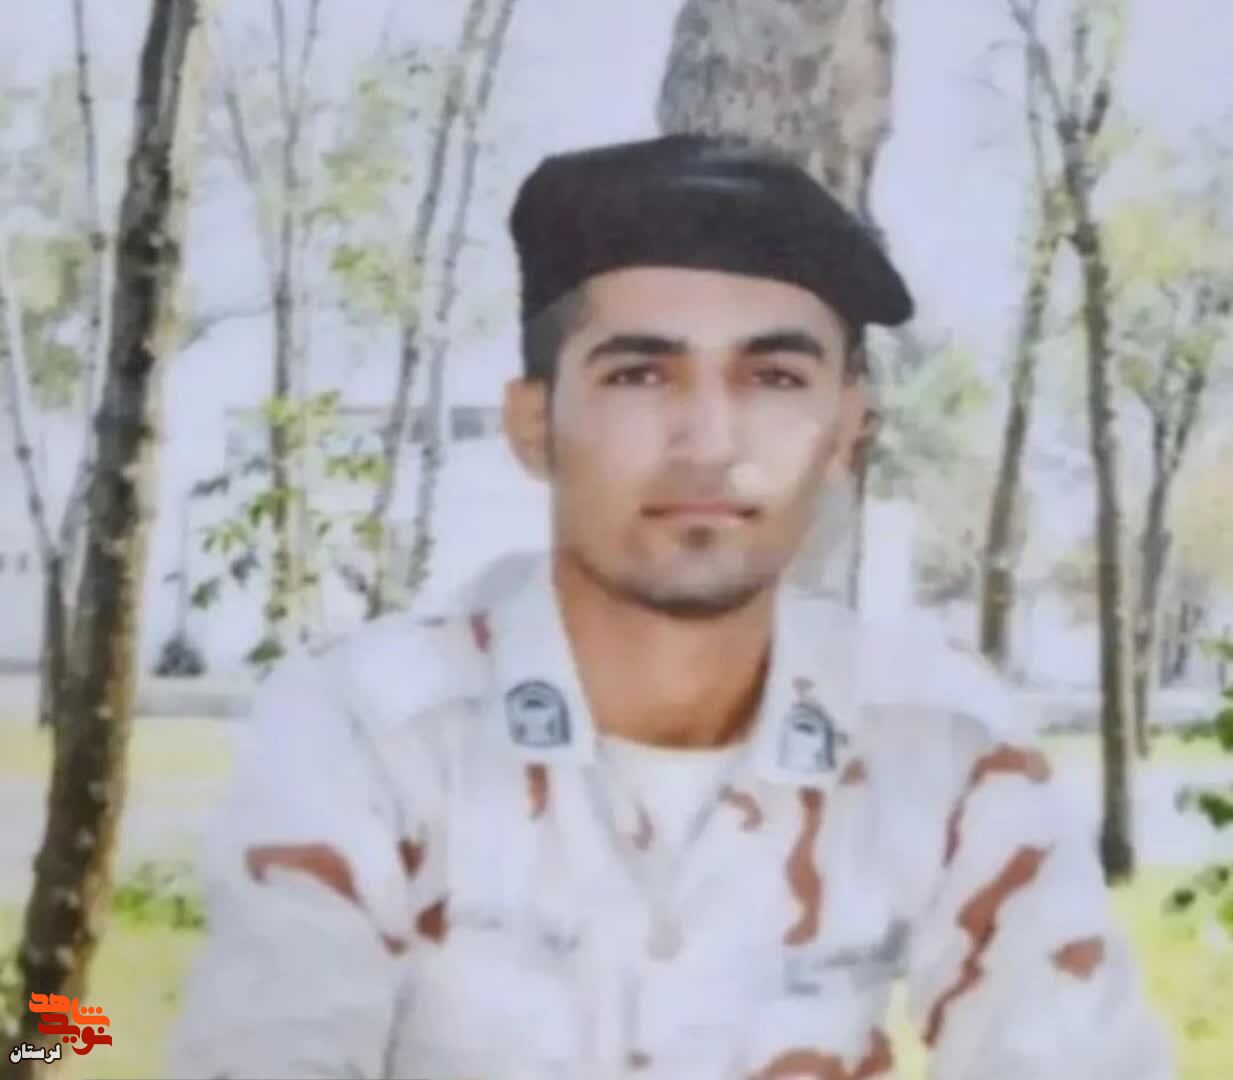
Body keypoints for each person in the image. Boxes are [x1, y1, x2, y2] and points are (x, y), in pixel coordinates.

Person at [168, 134, 1173, 1080]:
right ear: (534, 425)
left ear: (845, 432)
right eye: (641, 373)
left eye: (773, 377)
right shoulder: (371, 727)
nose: (708, 440)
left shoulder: (938, 739)